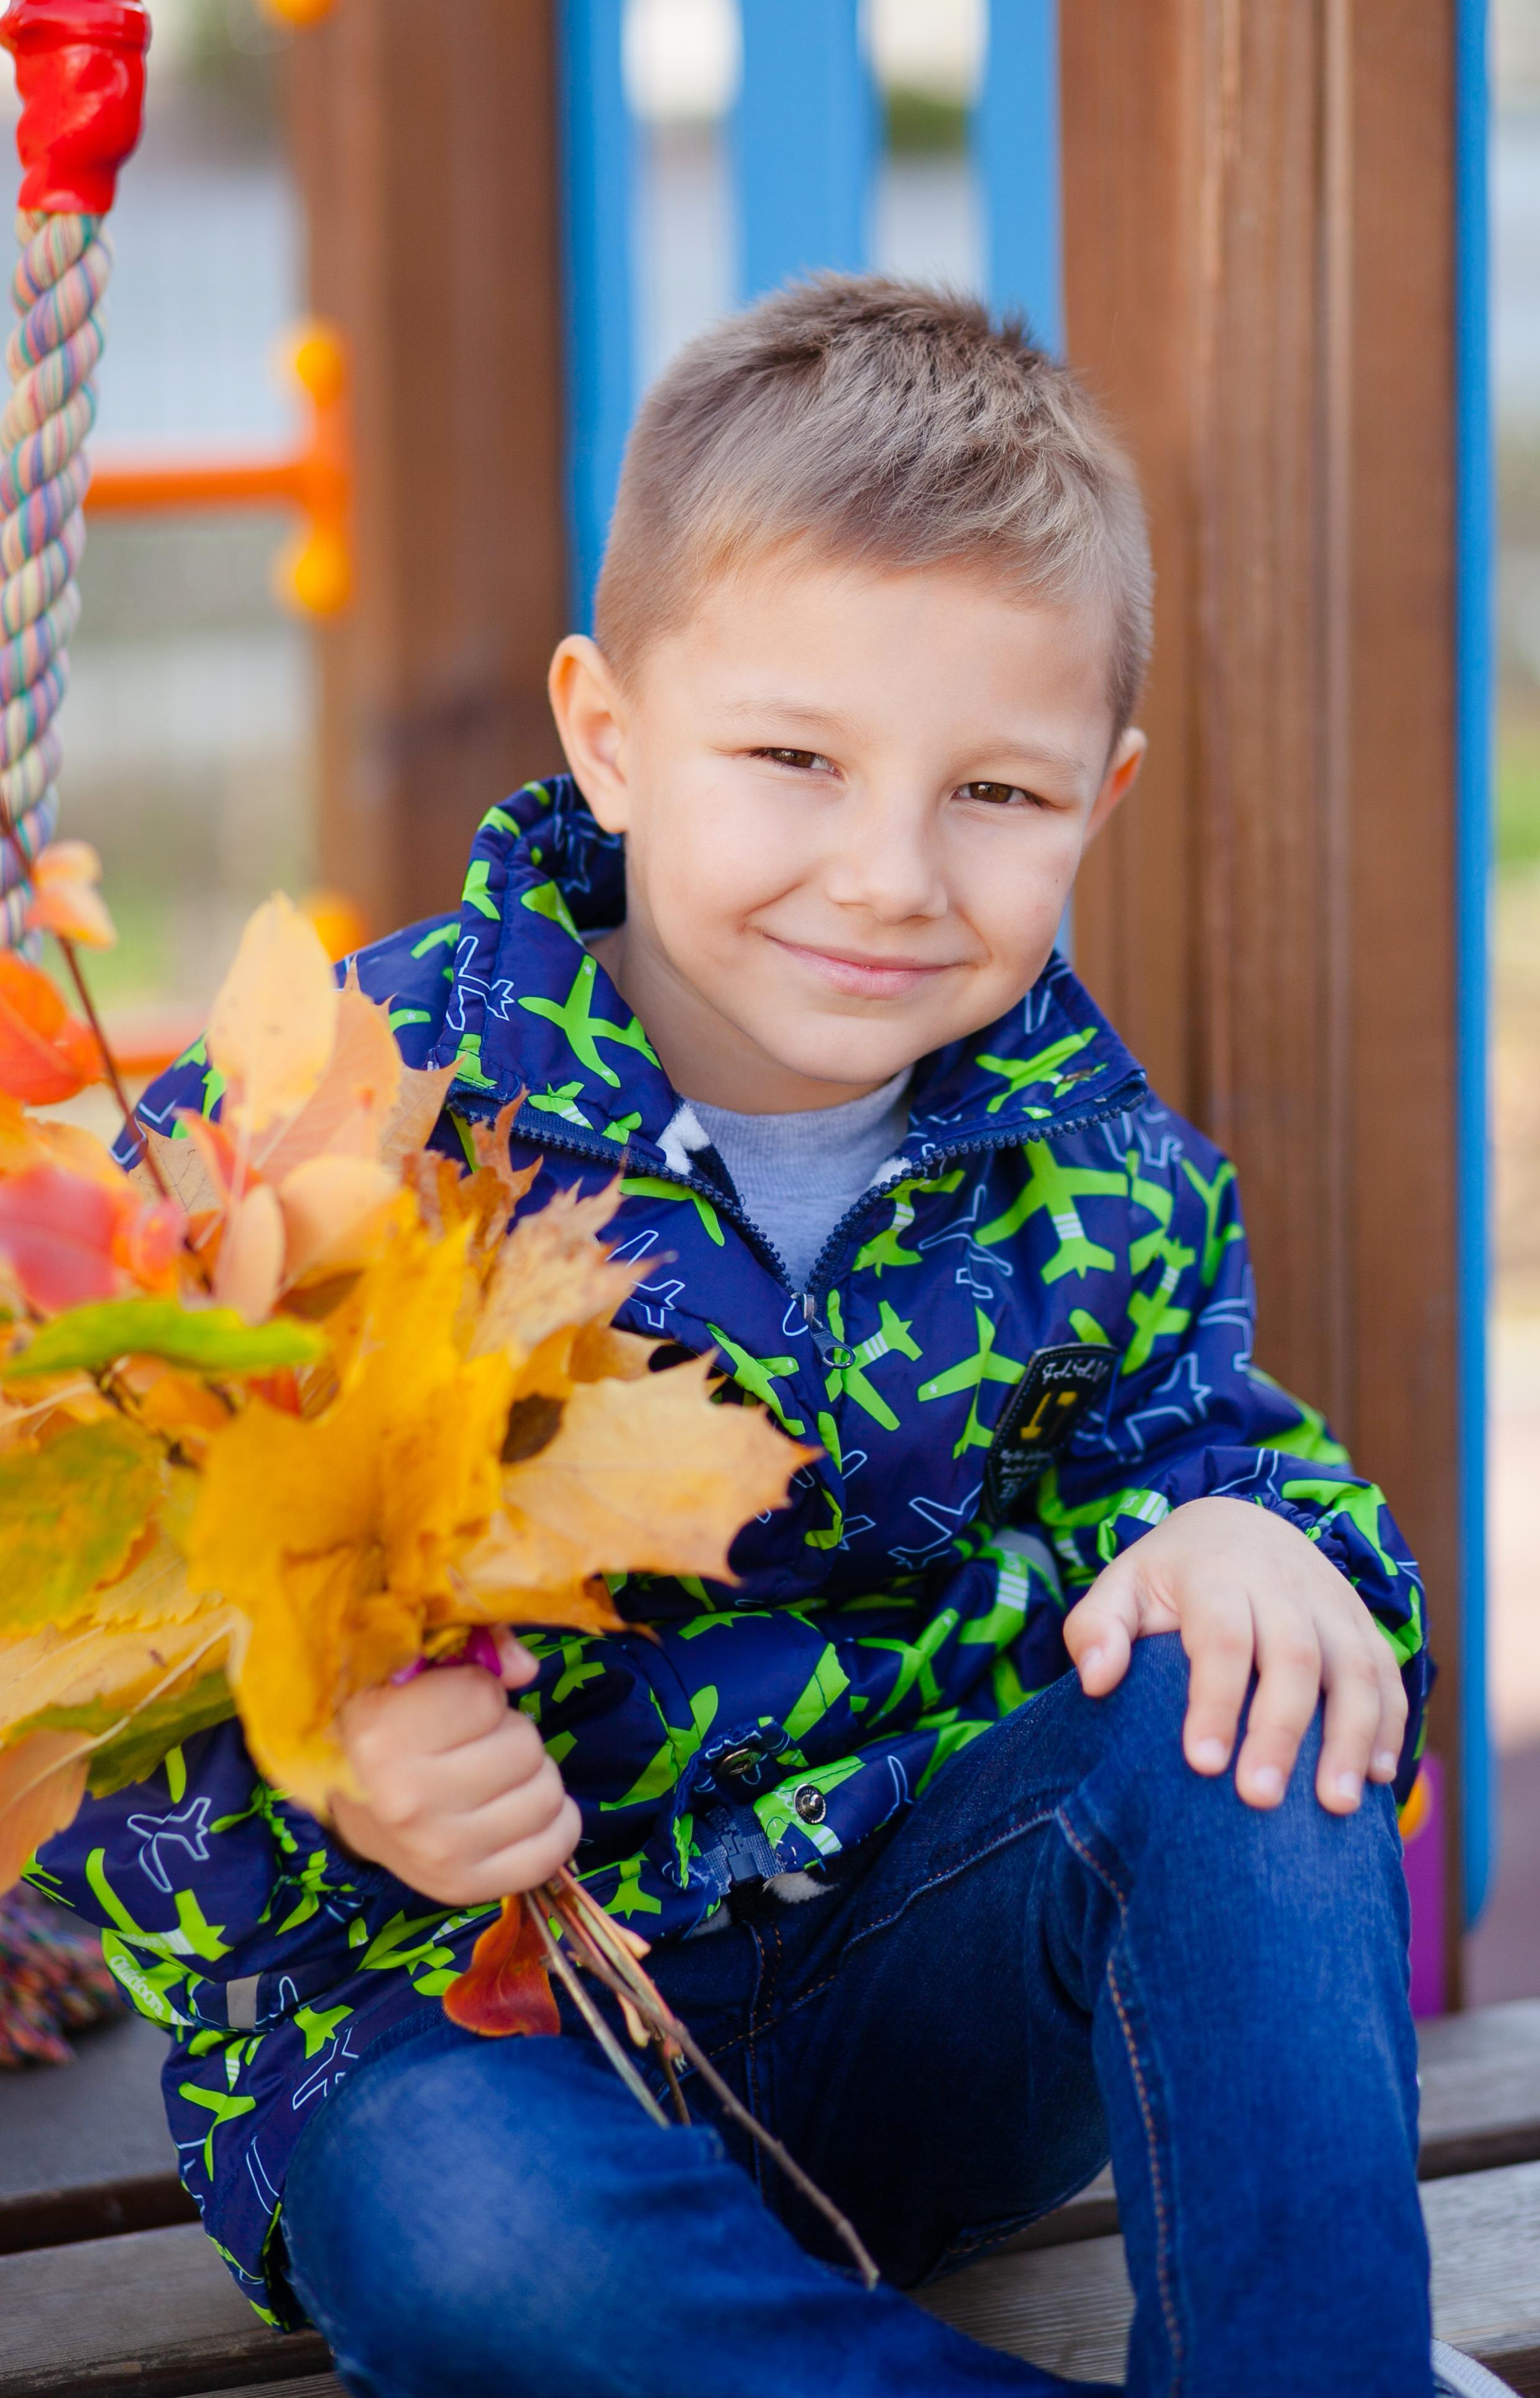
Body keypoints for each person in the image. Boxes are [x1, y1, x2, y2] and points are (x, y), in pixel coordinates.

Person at [32, 277, 1437, 2398]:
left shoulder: (1099, 1173)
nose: (887, 875)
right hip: (464, 2054)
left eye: (998, 794)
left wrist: (1264, 1541)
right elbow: (81, 1657)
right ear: (607, 735)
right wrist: (329, 1767)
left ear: (1105, 795)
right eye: (794, 760)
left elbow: (1213, 1463)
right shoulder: (350, 1111)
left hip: (919, 2003)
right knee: (487, 2246)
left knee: (1259, 1700)